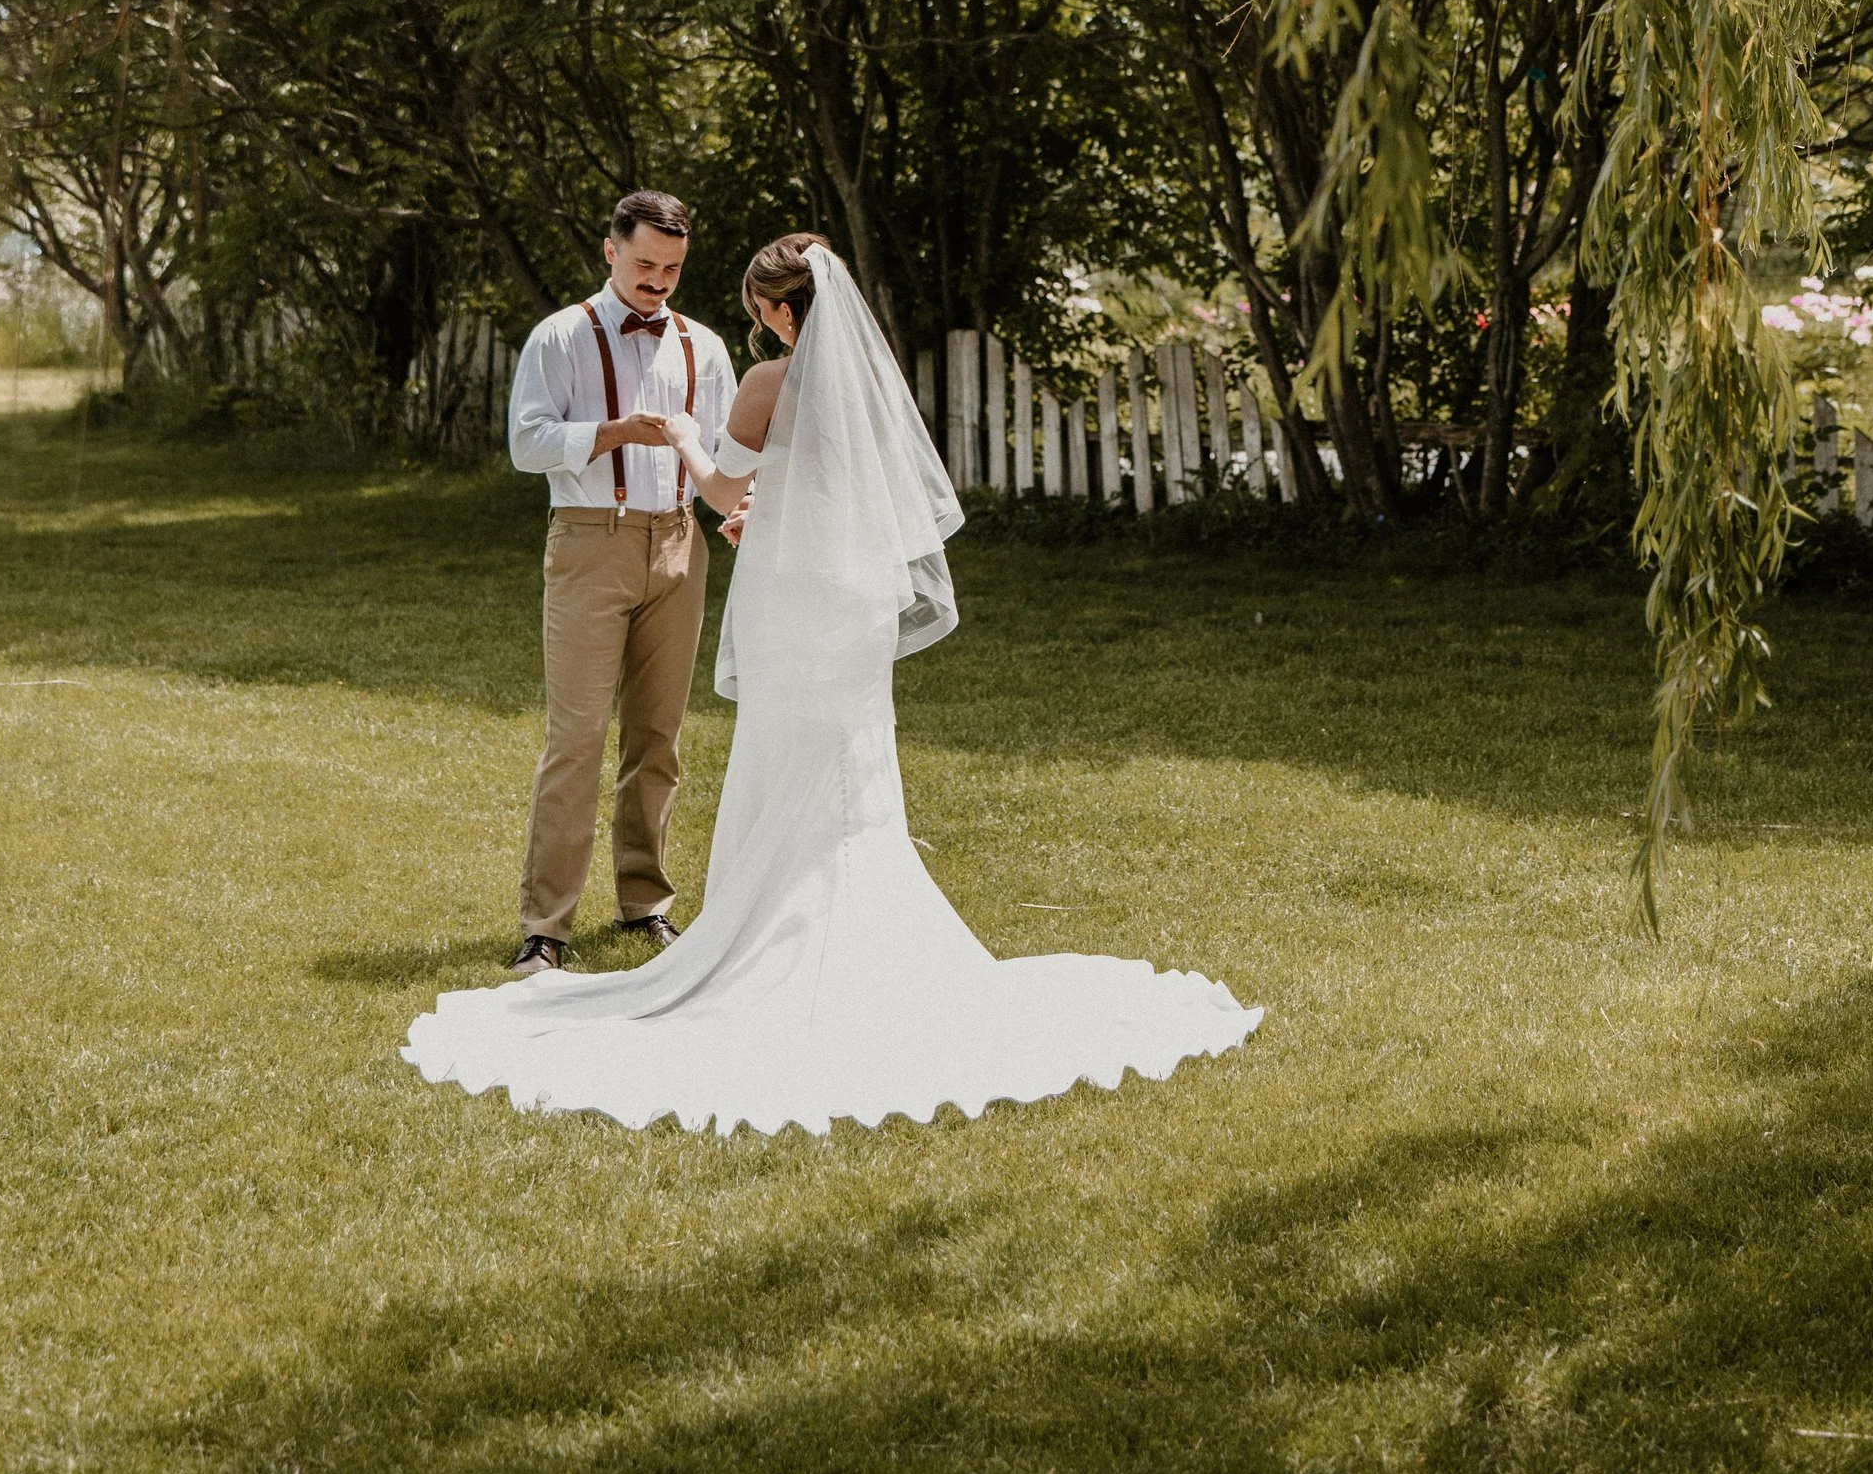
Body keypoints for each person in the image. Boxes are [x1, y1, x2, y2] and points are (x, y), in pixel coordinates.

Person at [406, 234, 1259, 1132]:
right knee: (851, 760)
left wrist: (690, 439)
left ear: (782, 311)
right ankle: (862, 932)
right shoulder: (864, 384)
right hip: (853, 597)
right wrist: (768, 510)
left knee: (788, 756)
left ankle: (775, 931)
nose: (760, 326)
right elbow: (842, 492)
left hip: (794, 599)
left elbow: (721, 485)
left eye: (761, 312)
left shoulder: (767, 382)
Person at [502, 188, 738, 971]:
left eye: (672, 268)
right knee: (575, 739)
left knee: (658, 737)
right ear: (611, 250)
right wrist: (614, 433)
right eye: (645, 264)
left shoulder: (705, 347)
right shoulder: (560, 335)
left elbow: (727, 456)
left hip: (679, 544)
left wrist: (741, 507)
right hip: (588, 542)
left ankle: (646, 905)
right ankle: (546, 927)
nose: (658, 281)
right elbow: (528, 445)